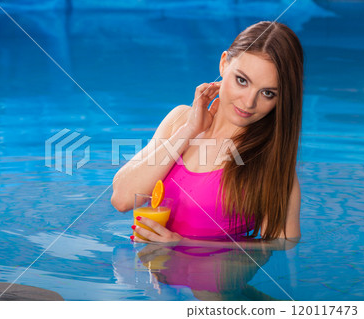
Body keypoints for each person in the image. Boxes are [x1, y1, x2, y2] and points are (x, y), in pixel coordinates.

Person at [111, 21, 303, 246]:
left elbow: (282, 247)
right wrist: (190, 130)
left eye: (268, 93)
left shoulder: (273, 166)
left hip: (216, 280)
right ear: (223, 64)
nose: (249, 102)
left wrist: (182, 245)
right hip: (151, 277)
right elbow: (121, 199)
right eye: (242, 81)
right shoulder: (180, 121)